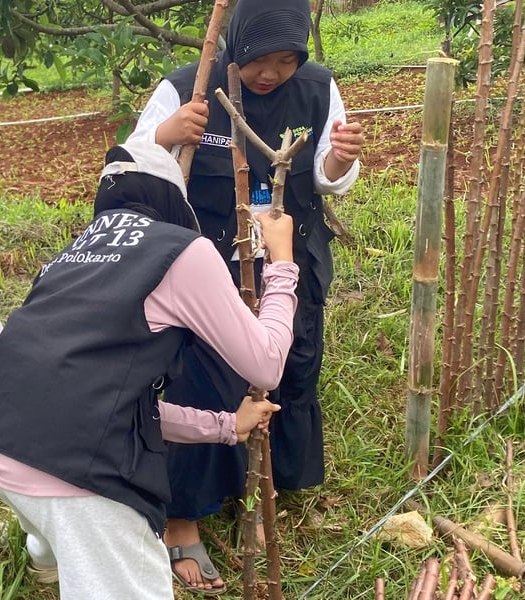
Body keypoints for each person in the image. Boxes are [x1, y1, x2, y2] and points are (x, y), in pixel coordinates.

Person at [0, 139, 297, 599]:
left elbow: (105, 403)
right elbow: (267, 363)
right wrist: (282, 262)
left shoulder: (71, 255)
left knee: (46, 511)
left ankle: (46, 553)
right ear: (174, 203)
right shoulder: (183, 250)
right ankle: (68, 547)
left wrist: (223, 426)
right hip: (72, 468)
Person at [127, 0, 365, 591]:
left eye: (287, 61)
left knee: (287, 372)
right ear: (233, 45)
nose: (271, 74)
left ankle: (265, 489)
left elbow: (328, 177)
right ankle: (184, 519)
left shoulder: (316, 89)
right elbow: (133, 167)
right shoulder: (191, 87)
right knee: (199, 380)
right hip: (204, 271)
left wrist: (337, 158)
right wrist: (164, 133)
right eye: (260, 59)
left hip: (289, 256)